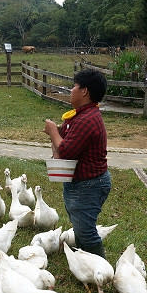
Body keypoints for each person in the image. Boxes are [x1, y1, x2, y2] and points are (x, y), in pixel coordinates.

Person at [43, 68, 111, 258]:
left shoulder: (87, 120)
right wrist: (56, 133)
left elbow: (65, 150)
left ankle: (101, 267)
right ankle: (84, 256)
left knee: (86, 231)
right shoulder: (80, 116)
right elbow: (66, 144)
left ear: (85, 91)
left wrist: (53, 132)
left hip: (90, 184)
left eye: (74, 86)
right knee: (80, 225)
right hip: (81, 182)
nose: (71, 90)